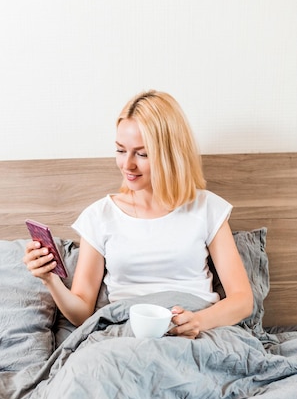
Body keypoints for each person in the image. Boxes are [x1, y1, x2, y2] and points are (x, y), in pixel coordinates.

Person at [23, 90, 253, 338]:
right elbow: (81, 313)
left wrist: (198, 320)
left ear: (171, 155)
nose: (127, 165)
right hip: (127, 333)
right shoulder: (100, 216)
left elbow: (242, 300)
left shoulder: (207, 208)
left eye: (142, 154)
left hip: (196, 331)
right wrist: (50, 279)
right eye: (121, 150)